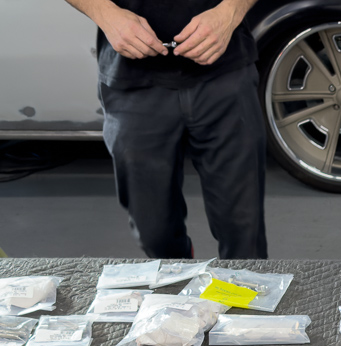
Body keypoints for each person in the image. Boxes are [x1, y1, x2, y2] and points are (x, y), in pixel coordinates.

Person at [65, 0, 267, 260]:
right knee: (154, 233)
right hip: (133, 80)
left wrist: (229, 12)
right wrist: (107, 15)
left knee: (244, 233)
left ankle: (240, 285)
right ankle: (180, 276)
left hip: (225, 72)